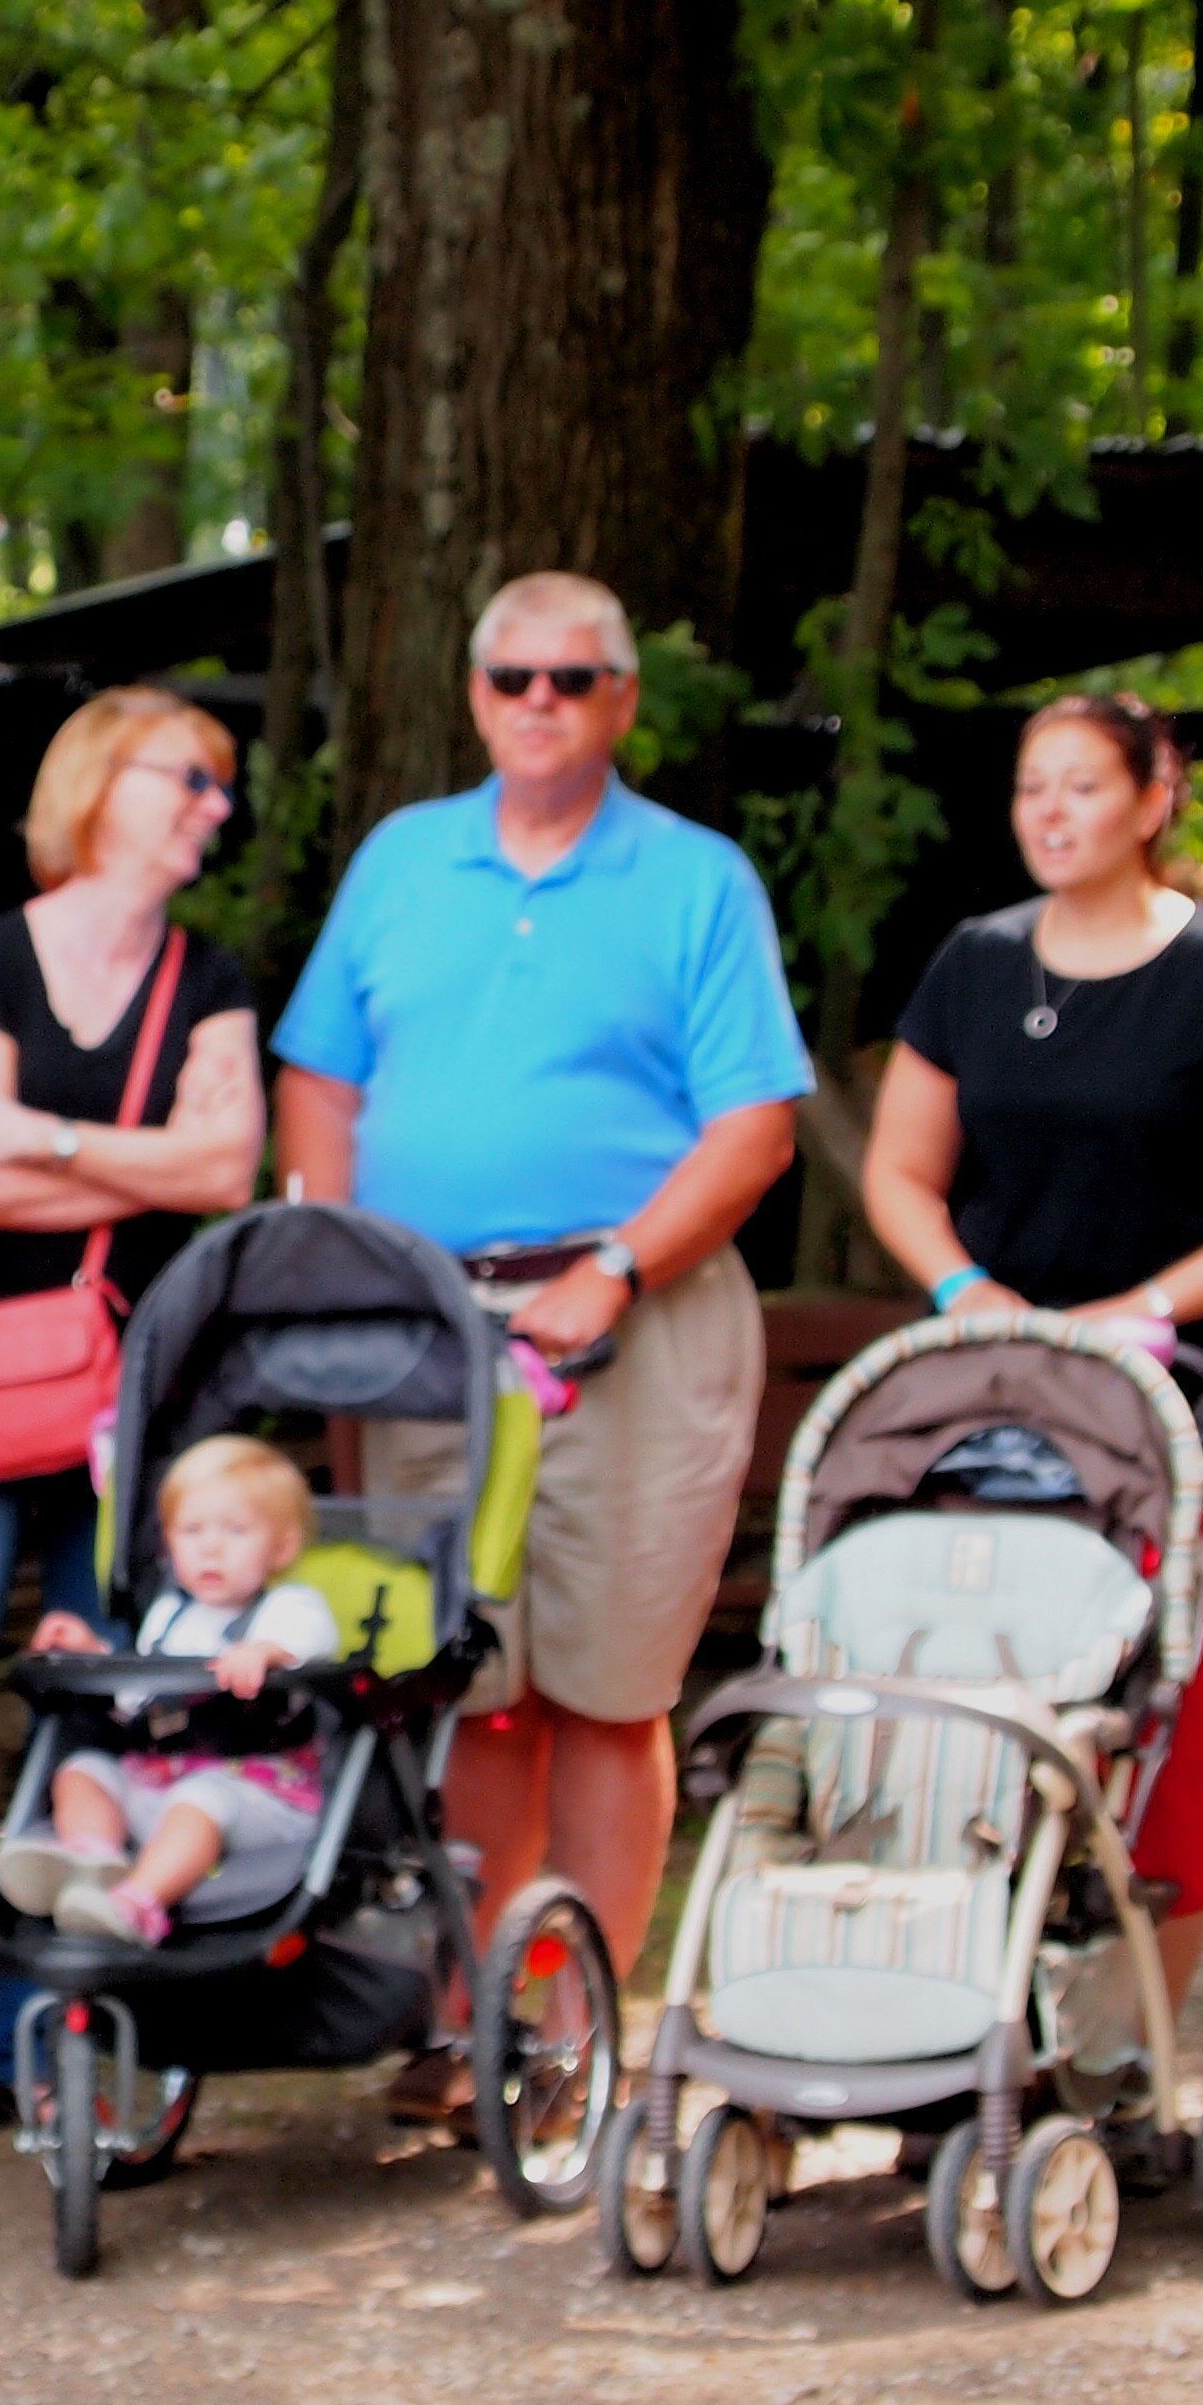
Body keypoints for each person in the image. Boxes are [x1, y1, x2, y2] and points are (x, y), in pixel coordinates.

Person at [272, 572, 807, 2102]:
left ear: (624, 701)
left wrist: (623, 1268)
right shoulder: (401, 861)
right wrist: (331, 1245)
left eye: (574, 680)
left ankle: (576, 2029)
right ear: (475, 691)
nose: (540, 704)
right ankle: (468, 2011)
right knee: (466, 1680)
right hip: (424, 1322)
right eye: (512, 678)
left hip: (629, 1320)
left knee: (607, 1687)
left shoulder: (695, 879)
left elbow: (755, 1128)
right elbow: (322, 1074)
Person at [859, 692, 1203, 2012]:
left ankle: (1135, 2061)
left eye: (1082, 785)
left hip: (1192, 1411)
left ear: (1152, 797)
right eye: (1033, 788)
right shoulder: (974, 963)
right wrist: (965, 1287)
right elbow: (902, 1169)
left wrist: (1148, 1307)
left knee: (1160, 1738)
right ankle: (955, 2032)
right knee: (962, 1723)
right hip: (995, 1405)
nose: (1053, 813)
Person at [0, 687, 266, 2159]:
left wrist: (44, 1137)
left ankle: (46, 2038)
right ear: (100, 785)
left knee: (107, 1722)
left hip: (131, 1418)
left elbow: (229, 1167)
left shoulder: (211, 980)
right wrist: (121, 1164)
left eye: (222, 786)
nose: (216, 805)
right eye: (192, 778)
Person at [0, 1437, 343, 1943]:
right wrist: (96, 1656)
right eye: (191, 1530)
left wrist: (265, 1653)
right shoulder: (169, 1613)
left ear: (282, 1546)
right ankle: (96, 1862)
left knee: (202, 1798)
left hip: (255, 1793)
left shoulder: (290, 1607)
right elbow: (141, 1698)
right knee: (82, 1772)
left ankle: (139, 1904)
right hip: (159, 1780)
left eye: (235, 1530)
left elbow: (309, 1642)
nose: (210, 1547)